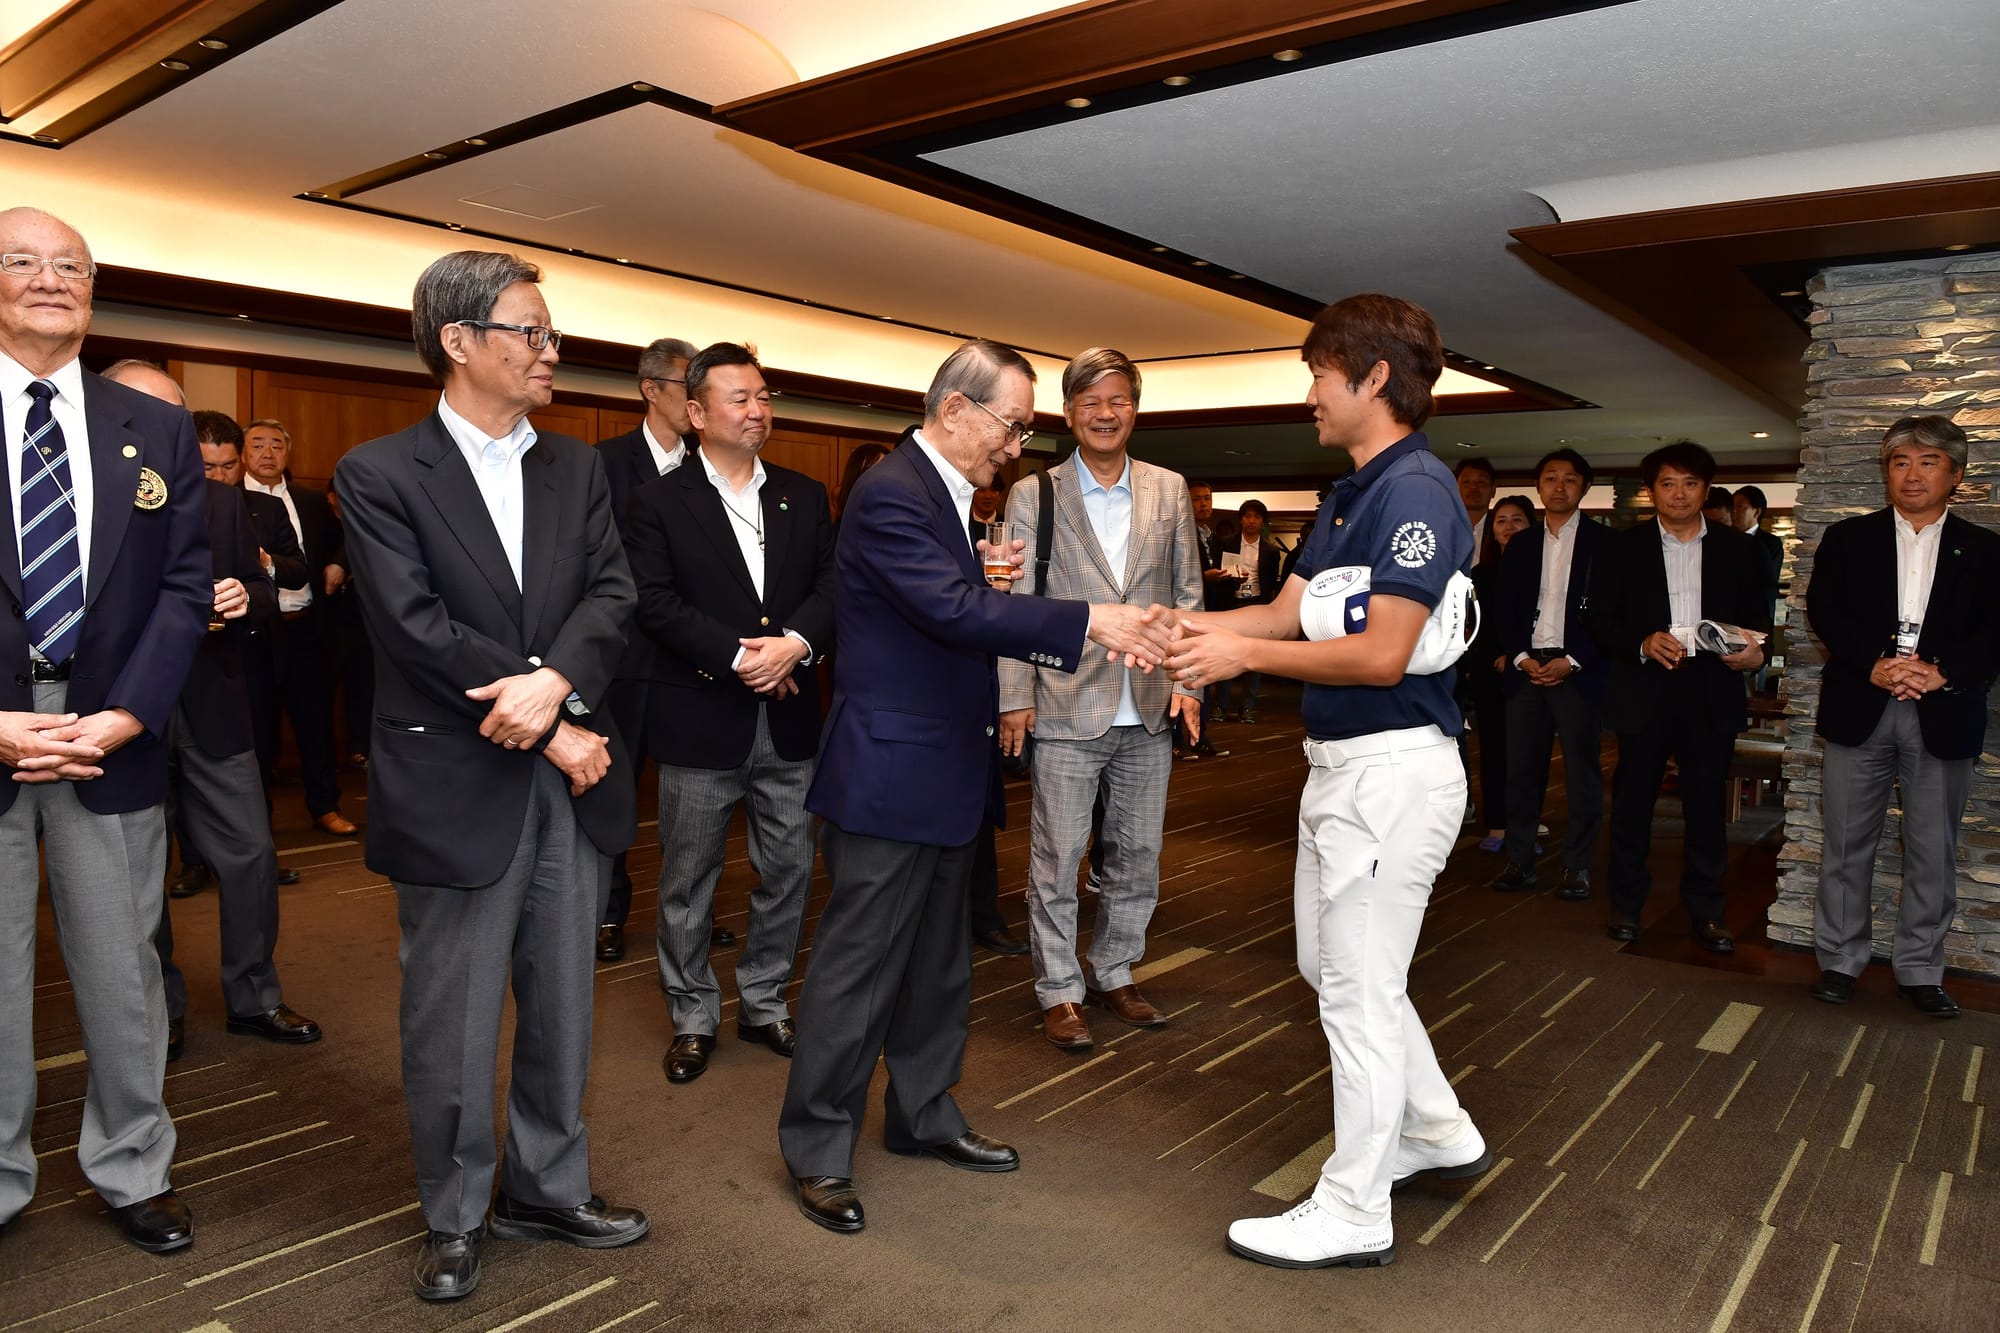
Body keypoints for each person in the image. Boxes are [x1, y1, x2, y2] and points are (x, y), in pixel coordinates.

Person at [777, 338, 1175, 1235]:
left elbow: (948, 614)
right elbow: (952, 612)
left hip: (946, 767)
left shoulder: (950, 499)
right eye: (1010, 422)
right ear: (954, 410)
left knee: (936, 964)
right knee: (858, 967)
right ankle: (817, 1148)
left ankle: (924, 1114)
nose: (1015, 442)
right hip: (889, 775)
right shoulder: (892, 494)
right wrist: (1089, 620)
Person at [334, 250, 646, 1301]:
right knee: (454, 1018)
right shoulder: (378, 473)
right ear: (459, 341)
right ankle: (456, 1211)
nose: (551, 351)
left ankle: (548, 1188)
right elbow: (415, 629)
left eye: (551, 334)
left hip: (567, 780)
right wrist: (550, 723)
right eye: (531, 331)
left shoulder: (577, 467)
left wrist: (553, 686)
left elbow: (610, 594)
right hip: (454, 785)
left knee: (563, 1005)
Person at [1164, 293, 1489, 1271]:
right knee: (1335, 970)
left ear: (1371, 376)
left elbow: (1382, 654)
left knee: (1354, 989)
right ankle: (1435, 1129)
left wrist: (1237, 662)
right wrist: (1194, 630)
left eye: (1316, 371)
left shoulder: (1416, 490)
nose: (1307, 392)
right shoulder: (1347, 493)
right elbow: (1284, 613)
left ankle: (1354, 1205)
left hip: (1393, 774)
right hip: (1337, 771)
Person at [0, 208, 211, 1252]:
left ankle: (132, 1166)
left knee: (123, 967)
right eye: (25, 261)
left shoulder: (155, 425)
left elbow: (182, 588)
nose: (51, 278)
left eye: (71, 265)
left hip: (109, 730)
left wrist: (129, 712)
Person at [97, 369, 322, 1065]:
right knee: (138, 870)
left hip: (211, 700)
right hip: (119, 711)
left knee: (251, 854)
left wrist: (240, 597)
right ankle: (155, 1005)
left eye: (174, 412)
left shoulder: (224, 507)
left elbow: (264, 590)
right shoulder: (84, 492)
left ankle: (254, 995)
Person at [624, 343, 833, 1083]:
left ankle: (766, 997)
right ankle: (692, 1012)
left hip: (790, 722)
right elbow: (653, 603)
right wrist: (748, 657)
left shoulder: (804, 495)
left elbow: (829, 587)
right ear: (695, 412)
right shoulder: (658, 500)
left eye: (763, 396)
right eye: (740, 398)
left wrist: (795, 645)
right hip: (702, 714)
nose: (757, 410)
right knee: (688, 878)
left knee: (790, 869)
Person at [998, 347, 1203, 1051]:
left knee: (1138, 852)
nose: (1106, 413)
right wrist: (1012, 697)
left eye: (1118, 400)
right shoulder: (1036, 494)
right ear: (1069, 413)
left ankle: (1116, 969)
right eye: (1091, 402)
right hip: (1064, 703)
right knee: (1056, 858)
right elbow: (1014, 605)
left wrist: (1189, 681)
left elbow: (1188, 597)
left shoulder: (1169, 488)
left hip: (1147, 703)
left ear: (1135, 410)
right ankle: (1058, 989)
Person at [1806, 416, 2000, 1016]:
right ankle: (1840, 960)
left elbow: (1997, 630)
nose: (1912, 475)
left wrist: (1942, 669)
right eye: (1899, 463)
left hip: (1942, 709)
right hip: (1861, 706)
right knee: (1845, 843)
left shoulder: (1989, 549)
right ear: (1886, 473)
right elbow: (1824, 610)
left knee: (1932, 848)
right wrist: (1872, 663)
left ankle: (1920, 969)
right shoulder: (1846, 539)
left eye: (1928, 462)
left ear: (1956, 475)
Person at [1589, 441, 1769, 953]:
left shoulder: (1740, 549)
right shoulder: (1622, 548)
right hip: (1646, 685)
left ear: (1706, 490)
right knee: (1632, 804)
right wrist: (1641, 641)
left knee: (1707, 807)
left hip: (1710, 686)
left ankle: (1708, 912)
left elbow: (1759, 619)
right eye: (1668, 484)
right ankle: (1626, 906)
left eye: (1690, 484)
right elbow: (1599, 620)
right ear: (1652, 492)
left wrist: (1756, 651)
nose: (1679, 494)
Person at [592, 335, 736, 961]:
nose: (700, 400)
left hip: (697, 663)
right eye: (689, 386)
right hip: (623, 662)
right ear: (653, 391)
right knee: (612, 792)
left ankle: (693, 920)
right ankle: (605, 912)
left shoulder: (723, 469)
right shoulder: (600, 464)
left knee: (698, 807)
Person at [1491, 449, 1608, 898]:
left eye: (1570, 479)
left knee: (1582, 773)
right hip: (1526, 667)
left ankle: (1577, 865)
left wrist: (1573, 659)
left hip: (1578, 669)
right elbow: (1503, 607)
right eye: (1551, 478)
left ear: (1584, 487)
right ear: (1539, 486)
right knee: (1520, 770)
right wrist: (1520, 657)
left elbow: (1609, 614)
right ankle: (1520, 860)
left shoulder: (1604, 543)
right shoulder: (1520, 543)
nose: (1560, 487)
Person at [241, 417, 356, 837]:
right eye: (257, 445)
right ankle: (256, 821)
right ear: (242, 453)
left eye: (276, 445)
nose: (267, 453)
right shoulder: (228, 500)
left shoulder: (308, 502)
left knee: (315, 724)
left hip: (308, 628)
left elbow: (348, 536)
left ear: (288, 453)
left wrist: (338, 563)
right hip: (255, 634)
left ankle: (325, 806)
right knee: (258, 729)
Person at [1467, 494, 1533, 852]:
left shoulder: (1541, 569)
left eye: (1517, 520)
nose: (1509, 527)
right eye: (1501, 521)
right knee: (1493, 748)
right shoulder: (1482, 573)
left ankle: (1526, 822)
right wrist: (1498, 653)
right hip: (1490, 669)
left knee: (1528, 751)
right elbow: (1479, 624)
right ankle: (1497, 825)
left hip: (1532, 669)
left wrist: (1518, 654)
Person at [1212, 498, 1281, 722]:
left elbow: (1271, 582)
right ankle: (1221, 706)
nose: (1251, 520)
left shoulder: (1270, 550)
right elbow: (1218, 576)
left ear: (1262, 521)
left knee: (1255, 656)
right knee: (1225, 653)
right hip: (1232, 603)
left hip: (1257, 604)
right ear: (1241, 519)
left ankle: (1247, 707)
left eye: (1257, 516)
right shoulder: (1227, 543)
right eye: (1248, 516)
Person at [1181, 481, 1230, 758]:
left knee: (1206, 676)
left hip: (1214, 611)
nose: (1204, 504)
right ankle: (1181, 738)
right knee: (1186, 675)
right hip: (1187, 614)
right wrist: (1204, 577)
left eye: (1207, 498)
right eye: (1198, 499)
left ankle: (1200, 735)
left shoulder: (1214, 537)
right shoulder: (1182, 532)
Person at [1455, 457, 1496, 567]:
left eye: (1481, 482)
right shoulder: (1442, 527)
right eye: (1466, 482)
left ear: (1493, 490)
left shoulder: (1502, 527)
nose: (1473, 487)